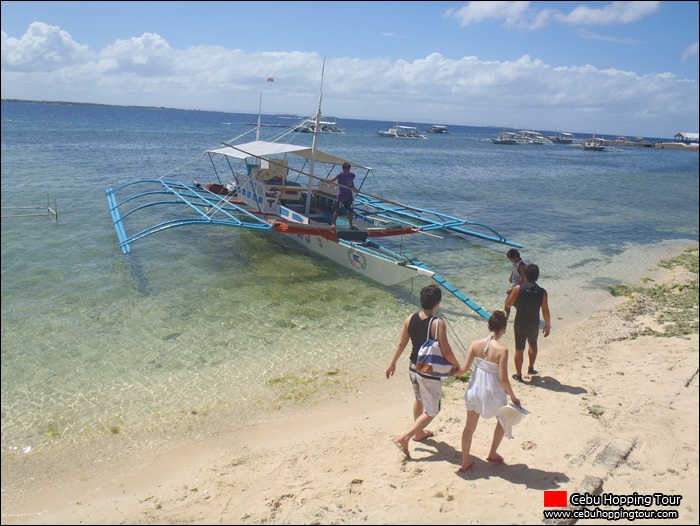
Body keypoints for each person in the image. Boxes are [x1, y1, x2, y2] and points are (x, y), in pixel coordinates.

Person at [385, 284, 460, 459]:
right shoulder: (437, 323)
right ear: (437, 304)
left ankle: (419, 434)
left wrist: (392, 363)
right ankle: (406, 437)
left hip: (412, 366)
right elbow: (446, 350)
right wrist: (458, 367)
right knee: (432, 410)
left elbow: (402, 344)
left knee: (419, 398)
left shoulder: (409, 319)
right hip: (427, 370)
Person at [456, 310, 520, 472]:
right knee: (502, 420)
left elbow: (463, 370)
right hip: (492, 393)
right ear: (503, 330)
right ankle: (492, 453)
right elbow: (504, 379)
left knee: (469, 427)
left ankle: (464, 462)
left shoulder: (474, 344)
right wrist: (513, 397)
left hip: (474, 389)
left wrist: (448, 370)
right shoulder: (502, 350)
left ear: (488, 326)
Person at [504, 263, 551, 381]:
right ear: (537, 276)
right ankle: (530, 368)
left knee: (519, 349)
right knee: (533, 344)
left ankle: (518, 375)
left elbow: (508, 304)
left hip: (520, 322)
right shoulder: (542, 292)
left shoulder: (518, 289)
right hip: (534, 322)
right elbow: (545, 310)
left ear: (524, 274)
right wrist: (547, 325)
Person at [330, 162, 356, 229]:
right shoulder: (340, 175)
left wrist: (353, 188)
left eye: (348, 169)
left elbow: (351, 183)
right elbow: (331, 180)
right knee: (338, 210)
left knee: (351, 210)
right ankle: (333, 223)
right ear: (343, 169)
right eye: (346, 169)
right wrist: (325, 180)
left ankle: (351, 224)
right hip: (341, 195)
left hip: (349, 195)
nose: (347, 171)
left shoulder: (352, 175)